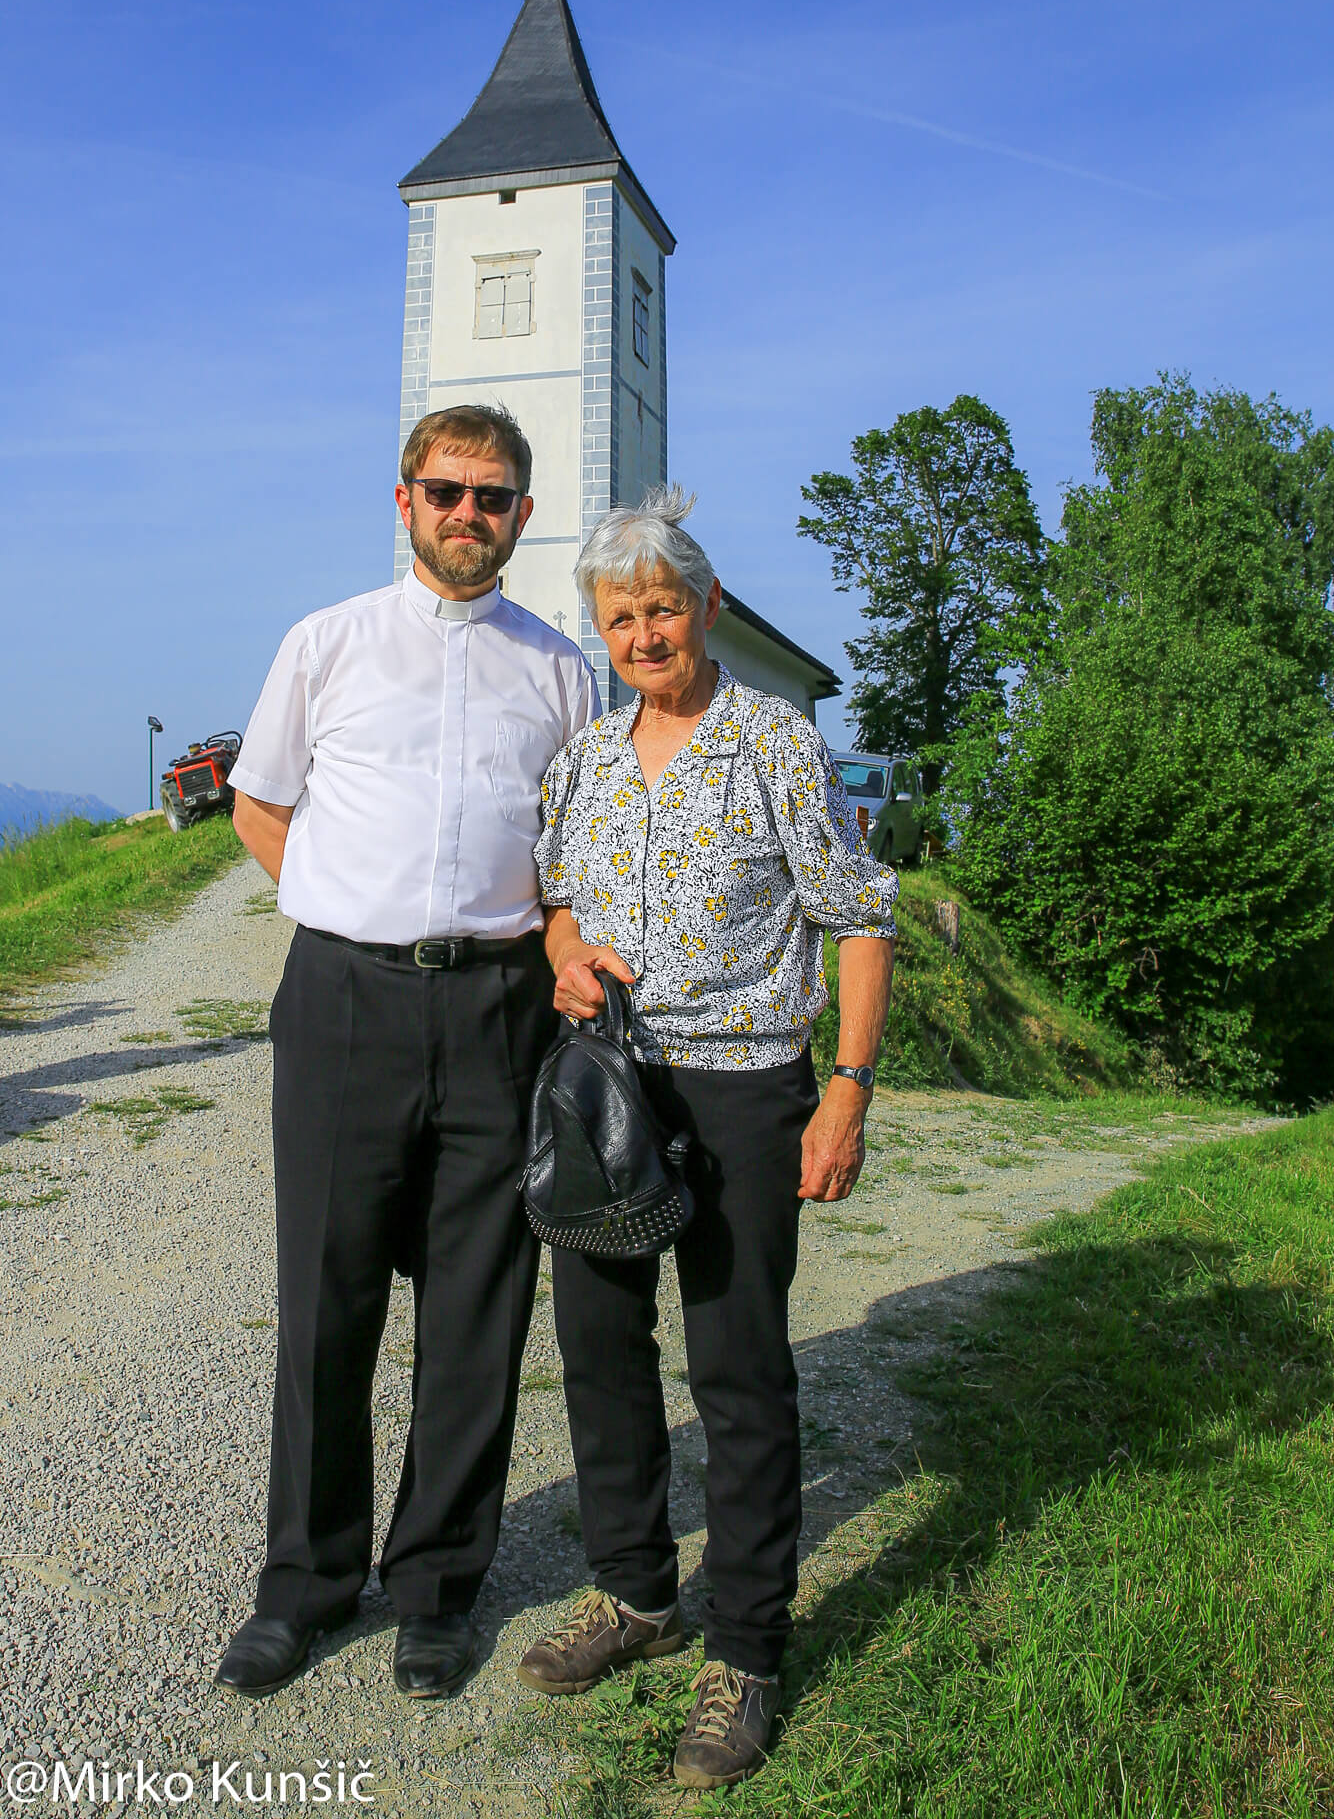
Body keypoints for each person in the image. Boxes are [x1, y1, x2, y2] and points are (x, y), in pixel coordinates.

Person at [214, 404, 598, 1701]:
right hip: (343, 1004)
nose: (466, 514)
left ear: (520, 517)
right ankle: (306, 1587)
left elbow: (570, 867)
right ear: (403, 500)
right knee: (327, 1305)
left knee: (475, 1312)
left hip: (498, 1012)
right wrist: (346, 904)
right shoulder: (325, 644)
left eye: (492, 497)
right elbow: (259, 803)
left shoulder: (558, 671)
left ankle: (437, 1588)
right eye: (446, 491)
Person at [516, 486, 898, 1790]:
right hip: (608, 1090)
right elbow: (555, 907)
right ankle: (632, 1592)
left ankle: (743, 1647)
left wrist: (844, 1085)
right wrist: (567, 959)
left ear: (706, 609)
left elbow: (857, 914)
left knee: (735, 1367)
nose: (641, 633)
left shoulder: (777, 744)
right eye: (619, 617)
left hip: (743, 1091)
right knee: (598, 1346)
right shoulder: (582, 761)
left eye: (659, 609)